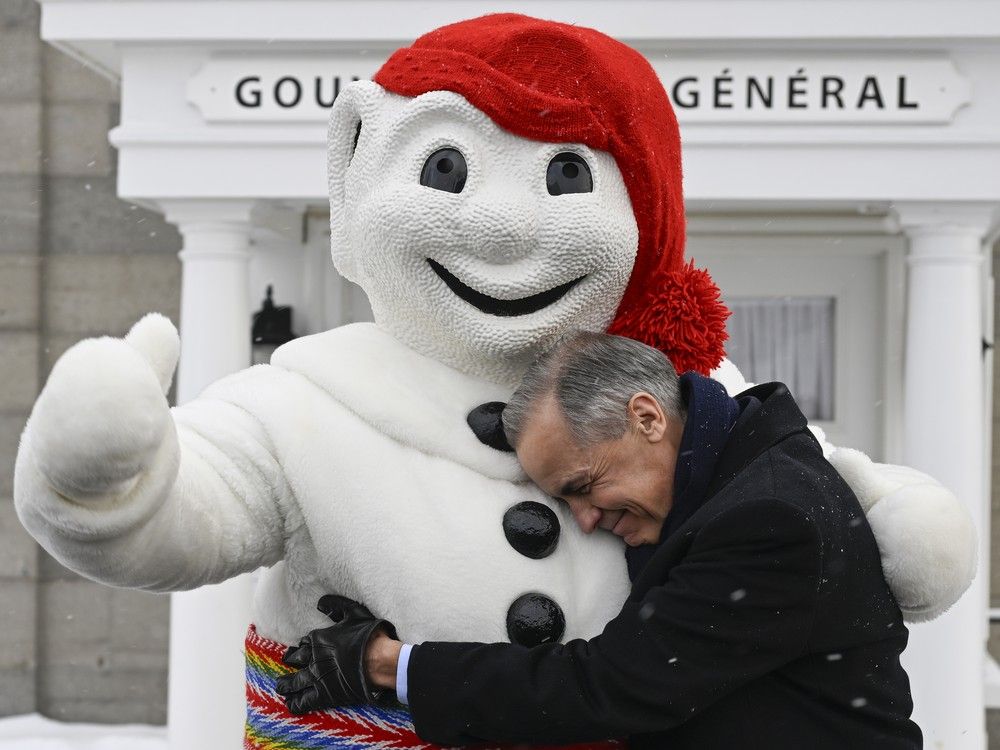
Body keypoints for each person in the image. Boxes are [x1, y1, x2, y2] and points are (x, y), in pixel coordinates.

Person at [275, 331, 922, 749]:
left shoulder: (770, 520)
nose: (584, 519)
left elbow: (614, 687)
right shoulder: (733, 475)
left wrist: (389, 664)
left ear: (646, 416)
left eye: (585, 484)